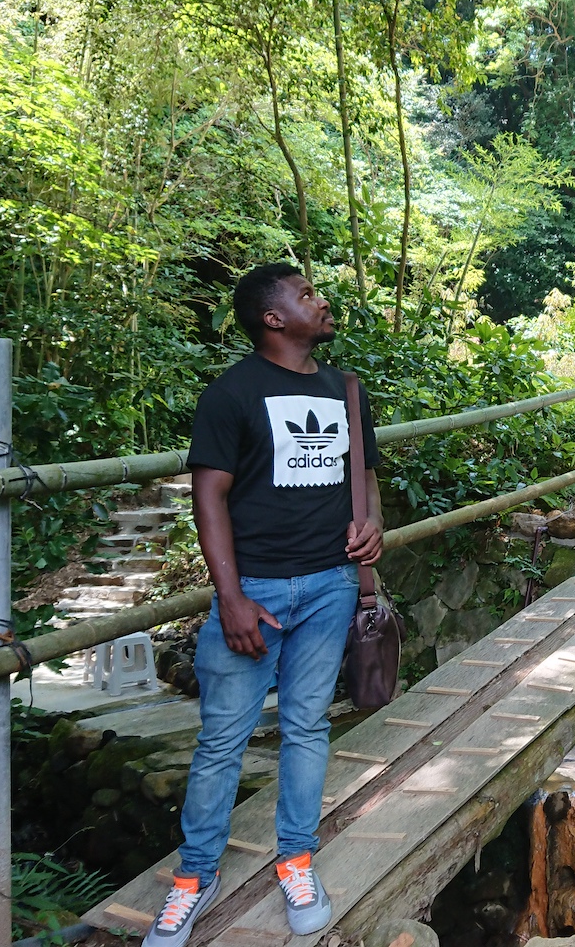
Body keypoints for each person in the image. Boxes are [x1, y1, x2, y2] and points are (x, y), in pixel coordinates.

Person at [142, 263, 384, 947]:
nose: (321, 300)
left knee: (307, 727)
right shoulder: (232, 393)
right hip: (255, 593)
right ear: (274, 319)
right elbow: (209, 496)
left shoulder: (344, 389)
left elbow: (360, 472)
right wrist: (232, 596)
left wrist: (374, 527)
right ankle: (194, 879)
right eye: (306, 295)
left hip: (330, 585)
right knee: (222, 739)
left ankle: (297, 860)